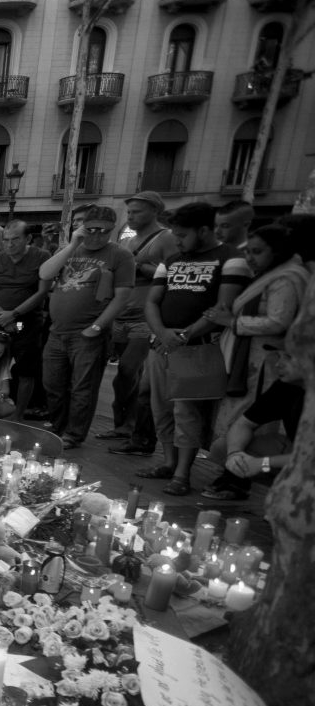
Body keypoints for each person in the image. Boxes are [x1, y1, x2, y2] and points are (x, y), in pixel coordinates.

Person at [138, 201, 253, 496]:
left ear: (204, 230)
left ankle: (182, 474)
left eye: (182, 235)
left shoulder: (231, 258)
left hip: (197, 349)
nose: (176, 240)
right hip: (162, 345)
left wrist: (185, 335)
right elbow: (152, 301)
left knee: (186, 412)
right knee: (159, 406)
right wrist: (163, 333)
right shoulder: (173, 260)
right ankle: (167, 462)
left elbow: (222, 306)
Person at [38, 204, 135, 450]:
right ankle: (58, 428)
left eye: (103, 231)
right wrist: (71, 245)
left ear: (111, 230)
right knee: (52, 384)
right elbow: (45, 273)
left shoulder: (120, 256)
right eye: (90, 229)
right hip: (57, 331)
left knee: (83, 388)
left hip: (87, 333)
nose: (96, 235)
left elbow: (122, 296)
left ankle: (73, 434)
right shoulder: (71, 249)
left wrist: (98, 326)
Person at [206, 224, 302, 441]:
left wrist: (232, 321)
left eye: (257, 252)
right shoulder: (269, 275)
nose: (249, 257)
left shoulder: (285, 278)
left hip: (265, 362)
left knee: (251, 419)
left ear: (277, 251)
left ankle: (243, 468)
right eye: (247, 251)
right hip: (253, 358)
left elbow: (278, 321)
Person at [100, 191, 176, 455]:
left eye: (136, 212)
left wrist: (140, 268)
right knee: (122, 379)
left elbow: (174, 274)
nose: (130, 217)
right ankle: (122, 426)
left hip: (144, 318)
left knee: (132, 373)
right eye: (129, 212)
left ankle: (140, 435)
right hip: (122, 315)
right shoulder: (130, 241)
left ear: (155, 211)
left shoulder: (166, 238)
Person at [203, 343, 303, 501]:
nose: (278, 364)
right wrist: (235, 454)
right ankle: (238, 484)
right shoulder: (287, 386)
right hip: (294, 454)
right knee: (222, 447)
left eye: (288, 358)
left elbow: (309, 458)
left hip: (306, 462)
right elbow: (243, 424)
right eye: (279, 356)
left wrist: (262, 463)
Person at [0, 221, 51, 420]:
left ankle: (18, 416)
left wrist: (15, 314)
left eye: (15, 240)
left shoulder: (41, 257)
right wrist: (2, 316)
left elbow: (42, 291)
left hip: (25, 322)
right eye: (6, 240)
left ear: (27, 239)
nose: (9, 245)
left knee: (25, 368)